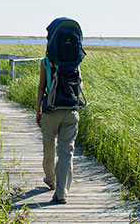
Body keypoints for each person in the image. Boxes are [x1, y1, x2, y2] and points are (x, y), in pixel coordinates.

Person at [35, 23, 84, 205]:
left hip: (51, 111)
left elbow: (41, 88)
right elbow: (80, 87)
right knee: (66, 152)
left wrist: (38, 110)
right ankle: (62, 193)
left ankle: (50, 179)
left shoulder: (46, 62)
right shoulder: (76, 63)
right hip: (71, 111)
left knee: (49, 147)